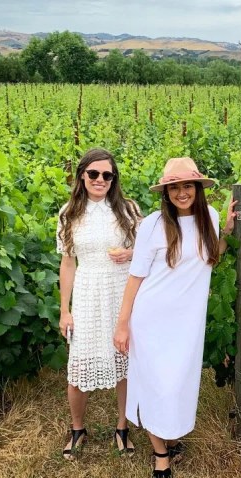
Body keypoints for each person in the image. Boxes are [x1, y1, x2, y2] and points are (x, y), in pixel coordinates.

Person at [112, 157, 235, 478]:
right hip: (151, 319)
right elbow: (136, 277)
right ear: (166, 193)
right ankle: (161, 455)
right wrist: (123, 324)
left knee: (178, 383)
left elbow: (210, 258)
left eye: (187, 186)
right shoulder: (152, 224)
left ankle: (170, 435)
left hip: (187, 324)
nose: (182, 193)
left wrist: (228, 231)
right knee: (158, 385)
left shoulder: (210, 216)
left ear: (198, 188)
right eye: (174, 187)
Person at [57, 148, 142, 460]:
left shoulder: (128, 210)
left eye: (107, 174)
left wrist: (129, 254)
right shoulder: (69, 213)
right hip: (88, 293)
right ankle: (77, 428)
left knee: (124, 364)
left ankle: (122, 428)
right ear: (83, 175)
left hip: (121, 292)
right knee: (78, 366)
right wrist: (65, 309)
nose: (100, 179)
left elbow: (149, 249)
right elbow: (68, 264)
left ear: (113, 178)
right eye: (94, 173)